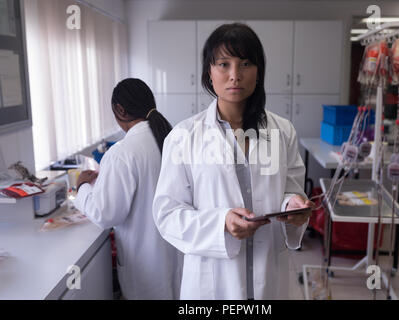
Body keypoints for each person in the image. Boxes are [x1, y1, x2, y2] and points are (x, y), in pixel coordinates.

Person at [152, 23, 314, 300]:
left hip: (269, 276)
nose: (235, 75)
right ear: (209, 73)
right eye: (224, 64)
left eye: (246, 63)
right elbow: (168, 214)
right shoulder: (183, 137)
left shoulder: (282, 131)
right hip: (212, 284)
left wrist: (293, 206)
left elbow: (290, 189)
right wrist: (221, 224)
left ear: (258, 71)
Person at [75, 78, 183, 299]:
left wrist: (82, 187)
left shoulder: (123, 153)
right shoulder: (170, 140)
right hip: (177, 262)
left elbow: (104, 214)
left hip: (147, 271)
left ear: (120, 110)